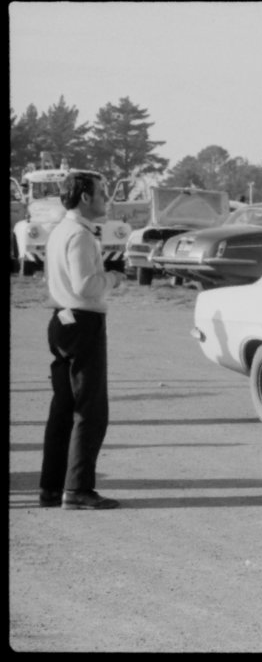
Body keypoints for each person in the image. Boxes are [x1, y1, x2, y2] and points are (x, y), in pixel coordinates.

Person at [39, 170, 126, 510]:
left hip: (61, 319)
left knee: (62, 409)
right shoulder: (81, 235)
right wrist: (114, 279)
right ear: (86, 197)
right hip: (82, 321)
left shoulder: (61, 231)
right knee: (89, 410)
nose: (106, 198)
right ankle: (77, 490)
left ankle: (51, 487)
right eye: (102, 192)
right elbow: (86, 286)